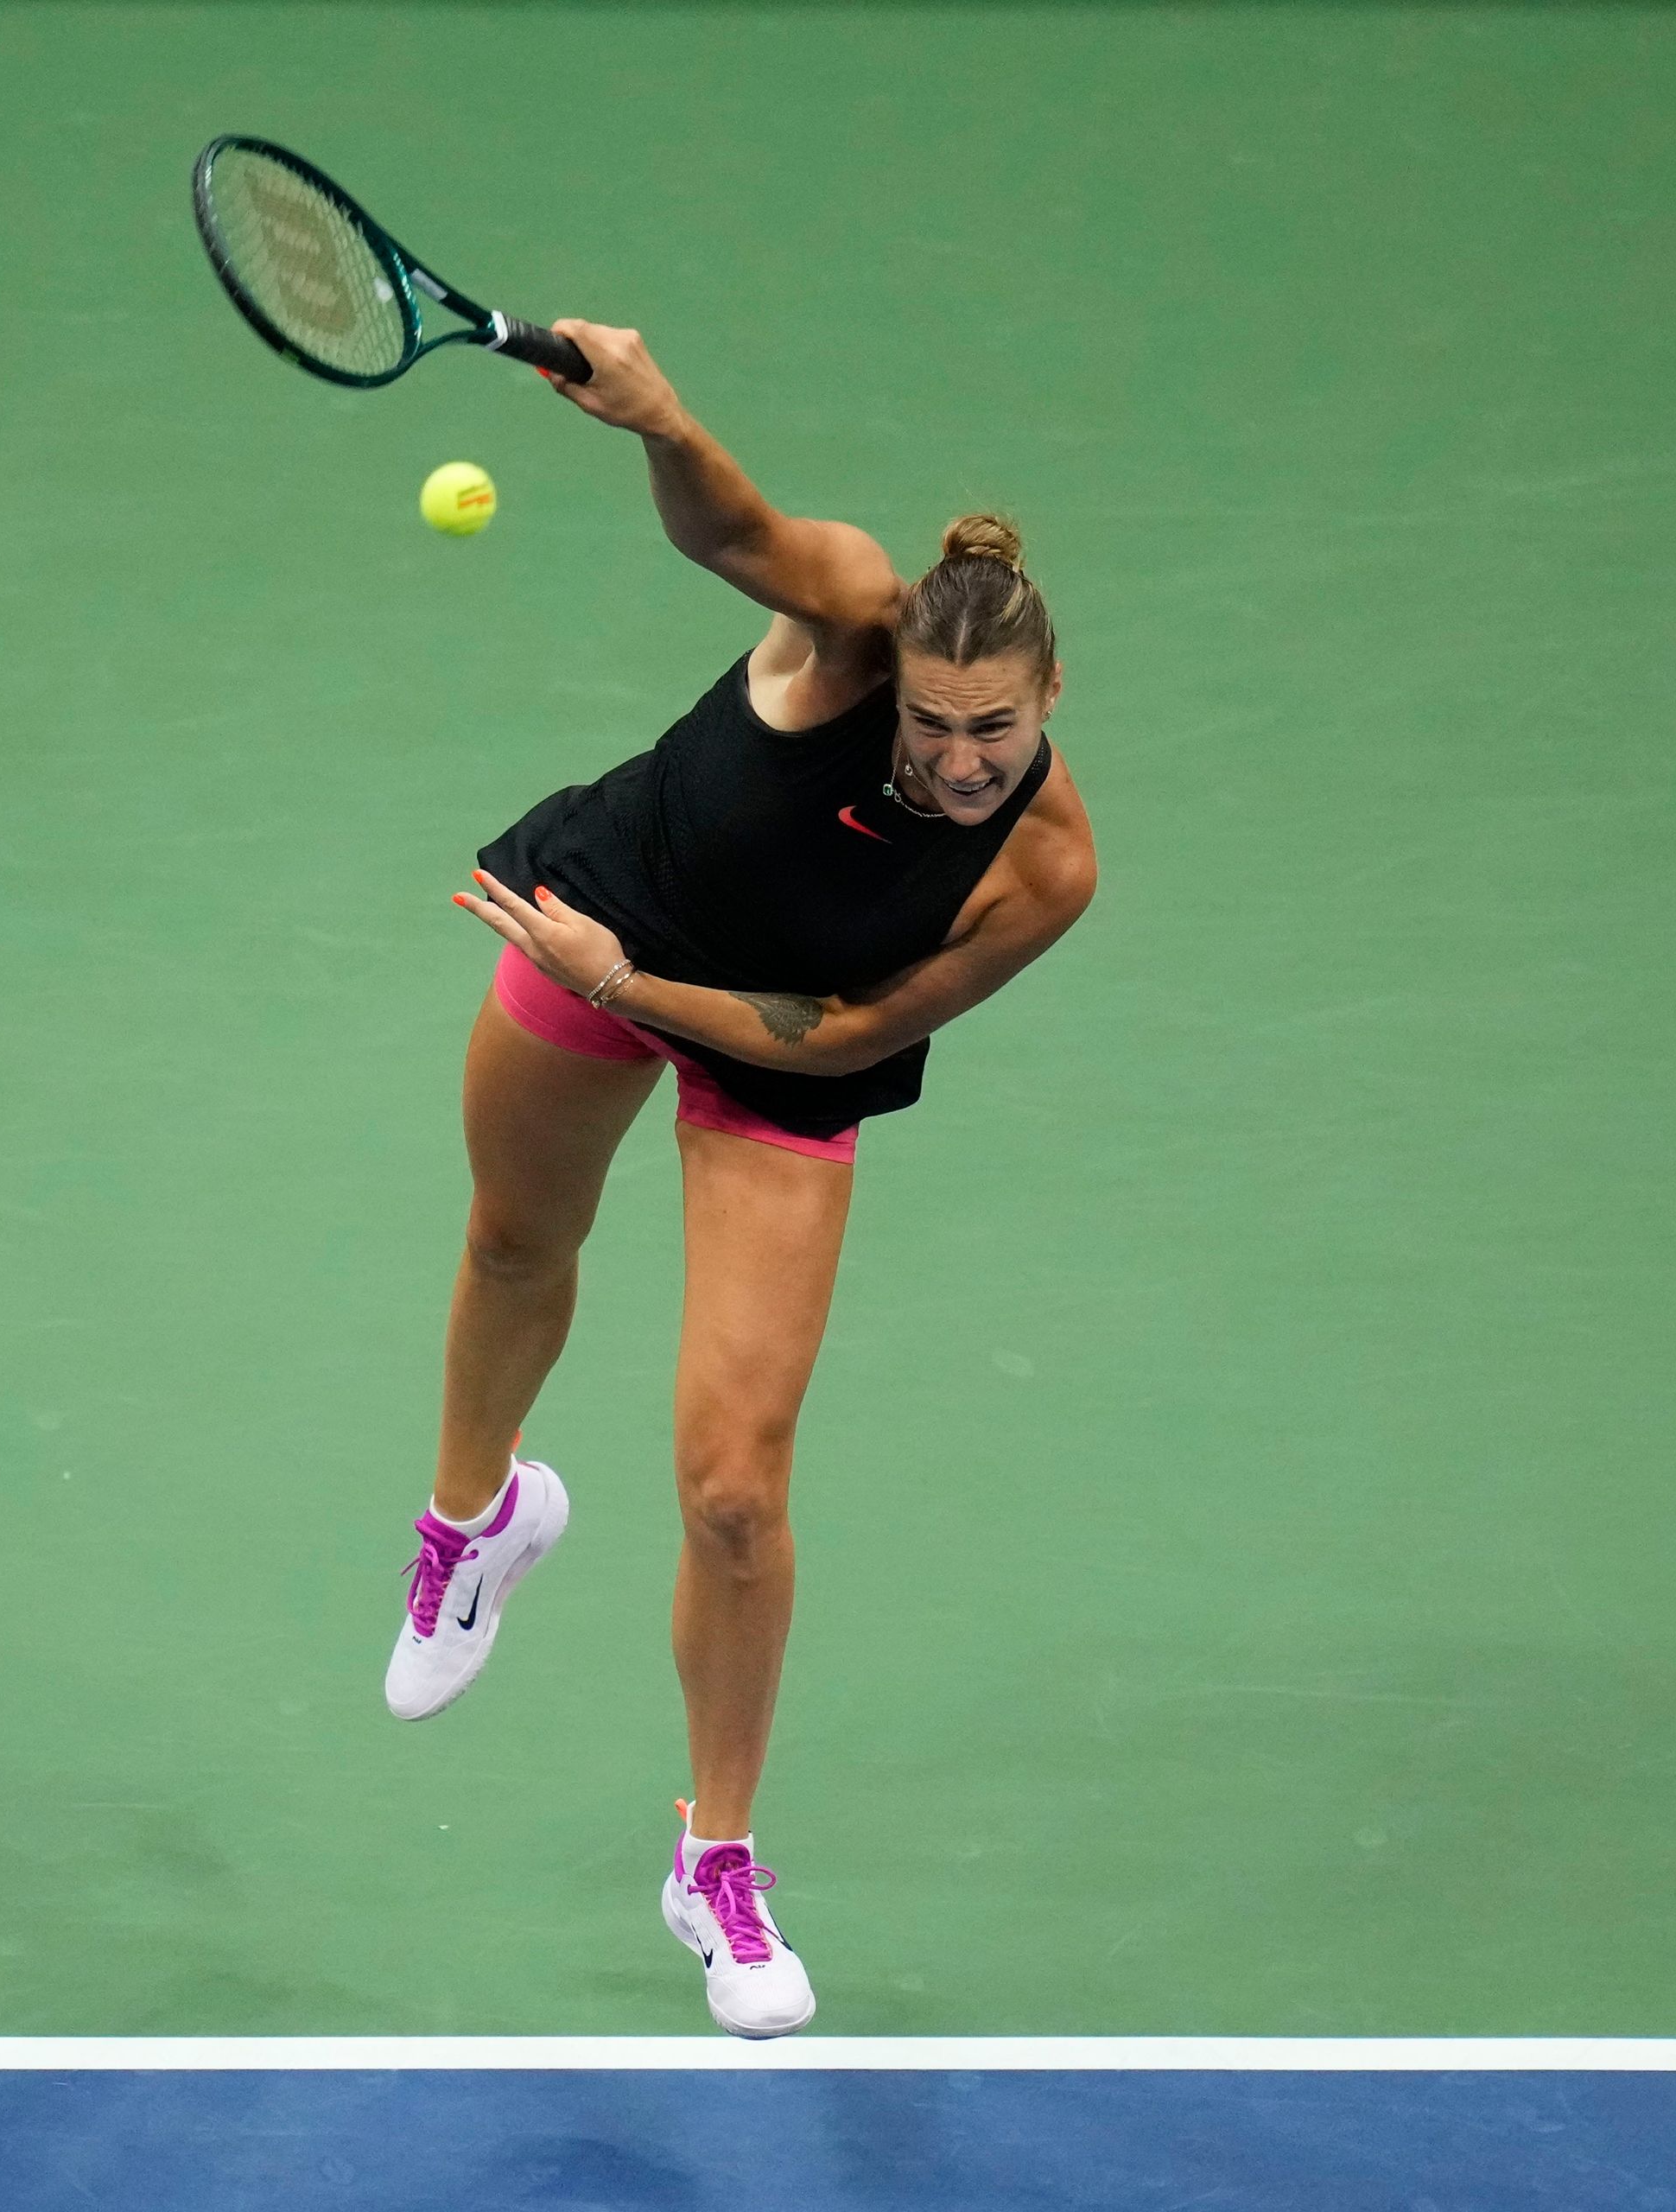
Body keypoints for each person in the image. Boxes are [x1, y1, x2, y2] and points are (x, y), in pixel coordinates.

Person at [385, 319, 1099, 2038]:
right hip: (604, 902)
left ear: (1050, 703)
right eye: (931, 726)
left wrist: (633, 988)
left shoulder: (1046, 868)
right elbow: (728, 531)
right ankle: (477, 1518)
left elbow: (834, 1028)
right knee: (511, 1240)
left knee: (733, 1491)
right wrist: (658, 415)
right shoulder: (852, 612)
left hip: (763, 1033)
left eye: (991, 733)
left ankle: (714, 1855)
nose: (953, 762)